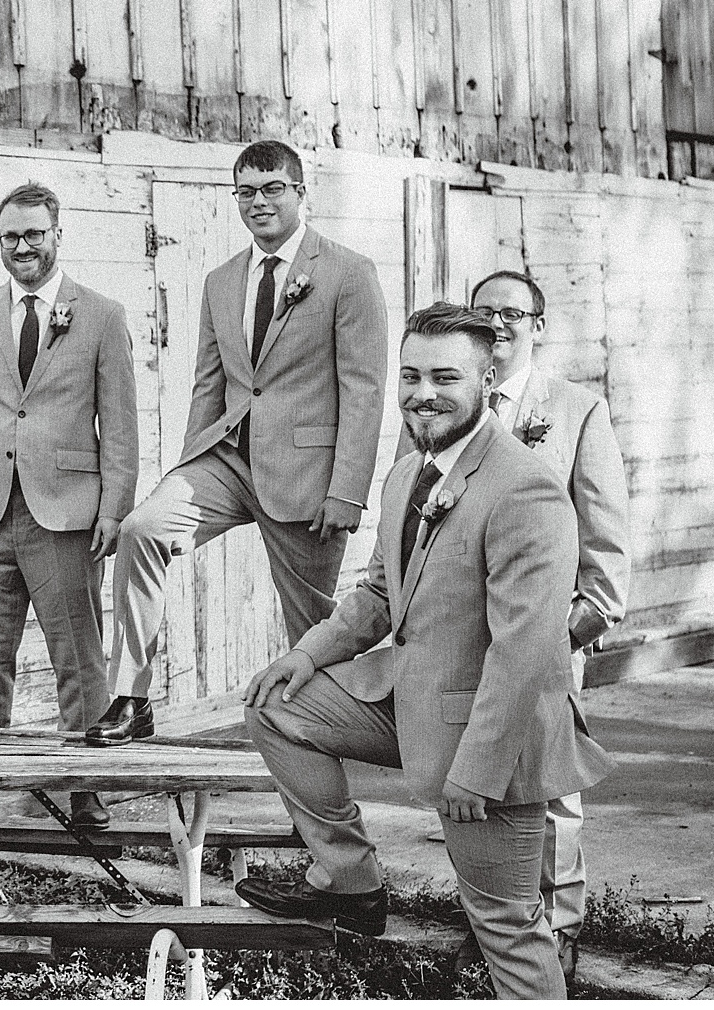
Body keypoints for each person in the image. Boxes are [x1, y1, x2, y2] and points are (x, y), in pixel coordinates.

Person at [238, 302, 609, 1001]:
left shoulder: (524, 488)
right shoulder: (409, 473)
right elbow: (382, 593)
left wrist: (478, 773)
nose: (422, 392)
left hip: (493, 737)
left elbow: (524, 655)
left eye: (445, 376)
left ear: (488, 376)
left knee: (503, 920)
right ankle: (350, 882)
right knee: (275, 704)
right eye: (410, 375)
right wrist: (309, 655)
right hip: (411, 699)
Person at [88, 140, 386, 744]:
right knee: (142, 529)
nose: (258, 202)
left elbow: (364, 389)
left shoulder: (348, 273)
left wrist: (348, 491)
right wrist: (185, 469)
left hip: (308, 474)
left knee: (311, 617)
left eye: (272, 188)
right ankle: (130, 695)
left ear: (300, 193)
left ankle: (325, 728)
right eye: (245, 191)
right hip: (225, 461)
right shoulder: (221, 281)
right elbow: (209, 382)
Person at [0, 182, 137, 826]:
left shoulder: (100, 315)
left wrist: (113, 509)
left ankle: (85, 785)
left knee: (78, 653)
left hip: (65, 511)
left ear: (57, 233)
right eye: (10, 236)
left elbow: (119, 425)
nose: (21, 247)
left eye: (33, 235)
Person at [470, 267, 631, 986]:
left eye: (511, 313)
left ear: (539, 324)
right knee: (478, 775)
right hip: (469, 639)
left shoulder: (575, 409)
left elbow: (605, 537)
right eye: (484, 313)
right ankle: (503, 919)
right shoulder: (453, 402)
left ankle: (560, 924)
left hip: (546, 637)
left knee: (553, 786)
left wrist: (576, 624)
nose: (497, 324)